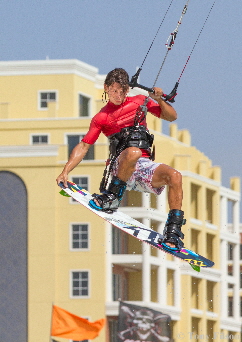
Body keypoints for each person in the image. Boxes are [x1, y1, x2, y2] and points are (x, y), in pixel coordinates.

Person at [56, 68, 185, 250]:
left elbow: (172, 116)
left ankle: (172, 233)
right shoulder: (101, 117)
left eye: (122, 91)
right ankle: (112, 197)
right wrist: (65, 172)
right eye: (114, 91)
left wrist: (159, 100)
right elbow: (84, 146)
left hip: (142, 169)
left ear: (128, 90)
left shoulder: (140, 102)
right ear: (106, 88)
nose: (118, 95)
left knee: (175, 176)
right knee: (133, 152)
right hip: (119, 168)